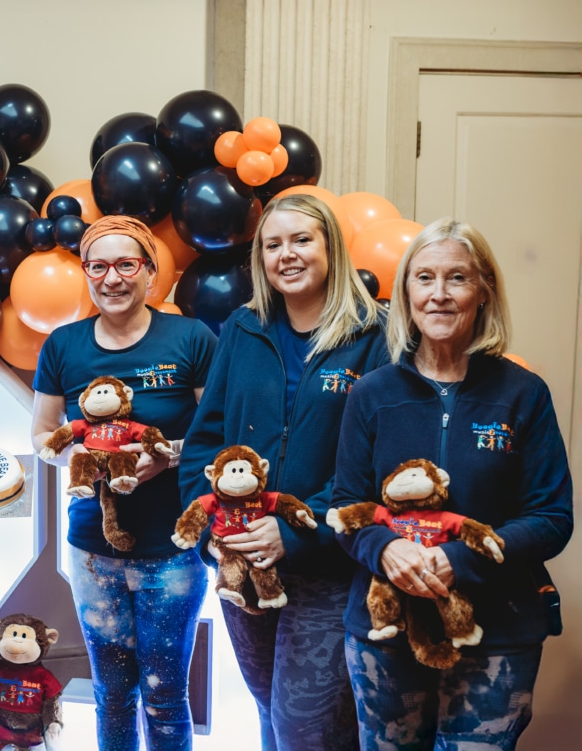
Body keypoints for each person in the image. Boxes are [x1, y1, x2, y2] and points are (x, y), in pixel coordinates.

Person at [331, 217, 572, 749]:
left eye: (457, 278)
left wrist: (459, 560)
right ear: (406, 292)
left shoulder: (523, 393)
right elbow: (347, 505)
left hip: (500, 632)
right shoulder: (372, 393)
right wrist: (385, 548)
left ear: (483, 291)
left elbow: (552, 517)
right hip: (386, 630)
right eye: (424, 278)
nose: (439, 294)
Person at [176, 193, 388, 751]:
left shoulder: (377, 337)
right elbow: (206, 437)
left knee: (309, 728)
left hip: (330, 564)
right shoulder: (245, 328)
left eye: (301, 240)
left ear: (331, 249)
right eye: (273, 244)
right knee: (268, 709)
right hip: (241, 563)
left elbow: (381, 464)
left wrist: (297, 529)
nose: (286, 255)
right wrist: (214, 535)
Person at [31, 215, 217, 750]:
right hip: (93, 549)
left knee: (165, 693)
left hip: (174, 548)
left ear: (151, 273)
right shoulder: (63, 345)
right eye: (98, 266)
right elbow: (45, 436)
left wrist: (168, 456)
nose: (112, 278)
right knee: (113, 693)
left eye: (126, 264)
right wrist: (82, 458)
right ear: (86, 273)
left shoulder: (190, 337)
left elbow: (217, 433)